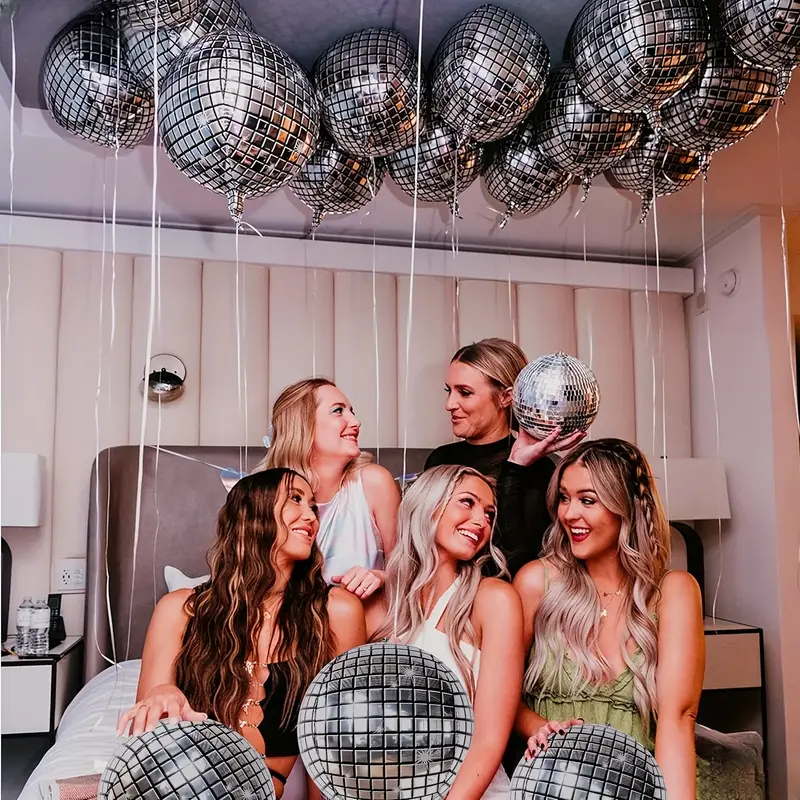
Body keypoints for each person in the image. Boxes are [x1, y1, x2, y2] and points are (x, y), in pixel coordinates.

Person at [117, 468, 367, 799]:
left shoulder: (336, 612)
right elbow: (149, 729)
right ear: (252, 514)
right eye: (295, 499)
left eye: (312, 506)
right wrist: (164, 692)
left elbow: (334, 743)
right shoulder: (179, 609)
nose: (311, 517)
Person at [513, 439, 705, 800]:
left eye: (587, 500)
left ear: (626, 507)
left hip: (640, 788)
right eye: (564, 498)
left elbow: (678, 719)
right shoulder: (536, 583)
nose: (569, 514)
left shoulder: (673, 592)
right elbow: (499, 697)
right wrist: (539, 727)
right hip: (551, 786)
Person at [366, 465, 524, 800]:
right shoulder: (377, 605)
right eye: (468, 502)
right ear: (428, 503)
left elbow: (489, 740)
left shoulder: (494, 600)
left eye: (489, 514)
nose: (481, 521)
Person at [424, 339, 585, 576]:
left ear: (506, 397)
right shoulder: (440, 459)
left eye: (465, 393)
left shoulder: (541, 470)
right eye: (449, 391)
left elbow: (517, 563)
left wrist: (515, 469)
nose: (450, 404)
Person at [256, 378, 400, 600]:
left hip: (366, 617)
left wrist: (379, 577)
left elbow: (408, 573)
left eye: (351, 411)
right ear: (303, 425)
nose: (355, 422)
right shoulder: (265, 493)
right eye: (338, 411)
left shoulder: (374, 483)